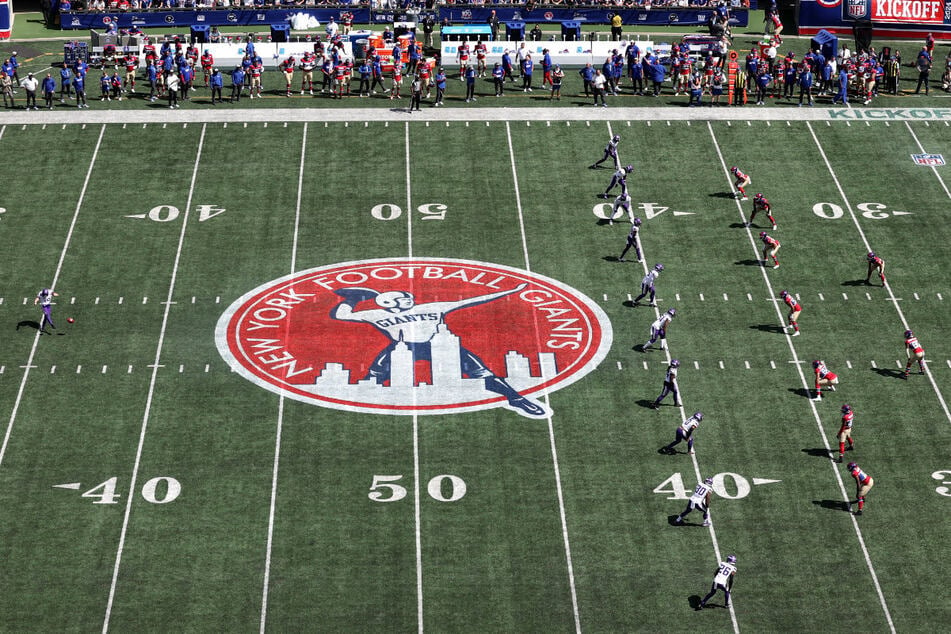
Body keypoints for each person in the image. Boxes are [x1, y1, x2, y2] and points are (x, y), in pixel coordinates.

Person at [330, 284, 548, 419]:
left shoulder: (431, 307)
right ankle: (359, 405)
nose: (411, 299)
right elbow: (340, 316)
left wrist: (511, 291)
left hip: (440, 345)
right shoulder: (375, 314)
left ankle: (517, 400)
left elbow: (470, 301)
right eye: (405, 298)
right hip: (404, 348)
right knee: (374, 376)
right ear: (390, 303)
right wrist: (352, 299)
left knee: (484, 374)